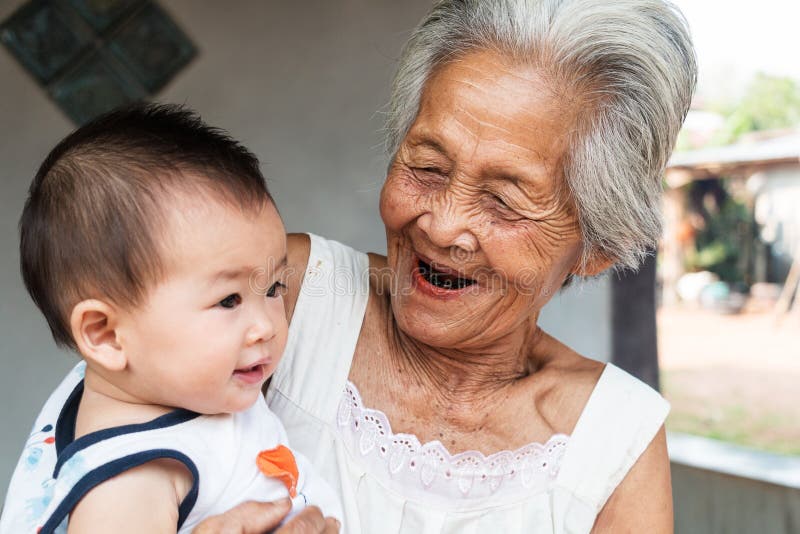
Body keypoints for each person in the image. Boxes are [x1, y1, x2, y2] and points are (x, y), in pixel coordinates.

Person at [3, 0, 696, 532]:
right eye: (426, 167)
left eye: (504, 201)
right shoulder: (271, 302)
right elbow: (76, 478)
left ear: (599, 243)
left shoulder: (617, 442)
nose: (442, 224)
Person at [0, 105, 341, 534]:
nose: (267, 326)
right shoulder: (131, 483)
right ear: (105, 335)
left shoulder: (174, 388)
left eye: (274, 289)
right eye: (229, 300)